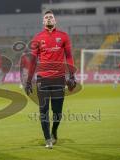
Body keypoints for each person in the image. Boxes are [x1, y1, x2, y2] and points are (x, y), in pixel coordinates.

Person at [25, 10, 76, 149]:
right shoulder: (37, 38)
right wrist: (29, 80)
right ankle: (47, 138)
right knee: (43, 110)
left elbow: (69, 56)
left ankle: (54, 131)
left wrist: (72, 75)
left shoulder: (63, 36)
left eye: (51, 17)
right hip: (43, 79)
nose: (48, 19)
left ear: (55, 21)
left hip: (59, 78)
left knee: (58, 112)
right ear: (43, 21)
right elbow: (33, 61)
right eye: (46, 17)